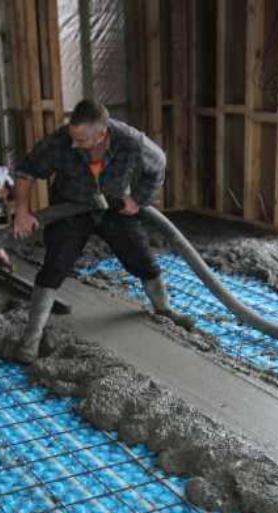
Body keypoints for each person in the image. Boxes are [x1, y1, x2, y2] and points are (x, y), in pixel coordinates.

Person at [11, 100, 193, 363]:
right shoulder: (61, 141)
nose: (74, 144)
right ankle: (31, 339)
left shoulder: (131, 142)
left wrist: (137, 199)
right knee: (54, 267)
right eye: (72, 137)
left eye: (81, 140)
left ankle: (164, 309)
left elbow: (158, 165)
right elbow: (25, 170)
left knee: (142, 259)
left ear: (102, 134)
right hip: (69, 208)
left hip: (114, 207)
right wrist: (22, 211)